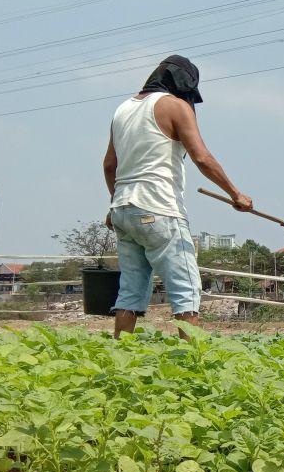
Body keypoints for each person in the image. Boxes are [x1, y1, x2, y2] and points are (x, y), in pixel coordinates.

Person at [103, 54, 252, 339]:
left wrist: (114, 204)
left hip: (123, 208)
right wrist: (236, 194)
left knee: (130, 291)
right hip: (158, 208)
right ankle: (191, 363)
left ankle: (120, 355)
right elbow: (202, 157)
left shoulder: (122, 109)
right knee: (186, 289)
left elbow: (110, 165)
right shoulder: (175, 106)